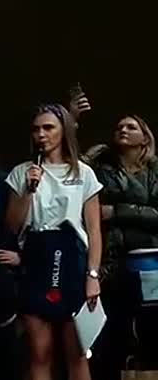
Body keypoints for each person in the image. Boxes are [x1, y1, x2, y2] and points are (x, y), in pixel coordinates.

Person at [4, 104, 102, 380]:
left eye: (48, 128)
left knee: (77, 351)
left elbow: (94, 230)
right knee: (39, 352)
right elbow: (11, 225)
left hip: (72, 258)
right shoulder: (22, 172)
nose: (41, 134)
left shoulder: (83, 173)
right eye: (36, 129)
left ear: (64, 131)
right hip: (36, 255)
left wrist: (93, 275)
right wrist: (28, 189)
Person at [90, 115, 158, 377]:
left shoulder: (155, 171)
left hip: (151, 261)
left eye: (131, 127)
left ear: (145, 138)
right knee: (114, 334)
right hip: (113, 260)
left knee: (151, 332)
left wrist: (117, 211)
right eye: (119, 126)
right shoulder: (101, 169)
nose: (123, 130)